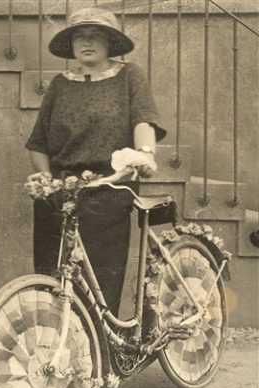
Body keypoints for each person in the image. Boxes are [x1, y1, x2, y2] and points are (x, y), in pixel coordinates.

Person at [26, 7, 166, 316]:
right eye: (80, 36)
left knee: (100, 278)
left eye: (95, 35)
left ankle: (101, 339)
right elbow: (38, 143)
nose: (86, 42)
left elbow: (143, 120)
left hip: (110, 185)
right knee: (53, 273)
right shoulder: (59, 85)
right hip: (62, 188)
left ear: (109, 42)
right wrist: (46, 178)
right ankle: (58, 337)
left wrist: (144, 154)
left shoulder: (129, 76)